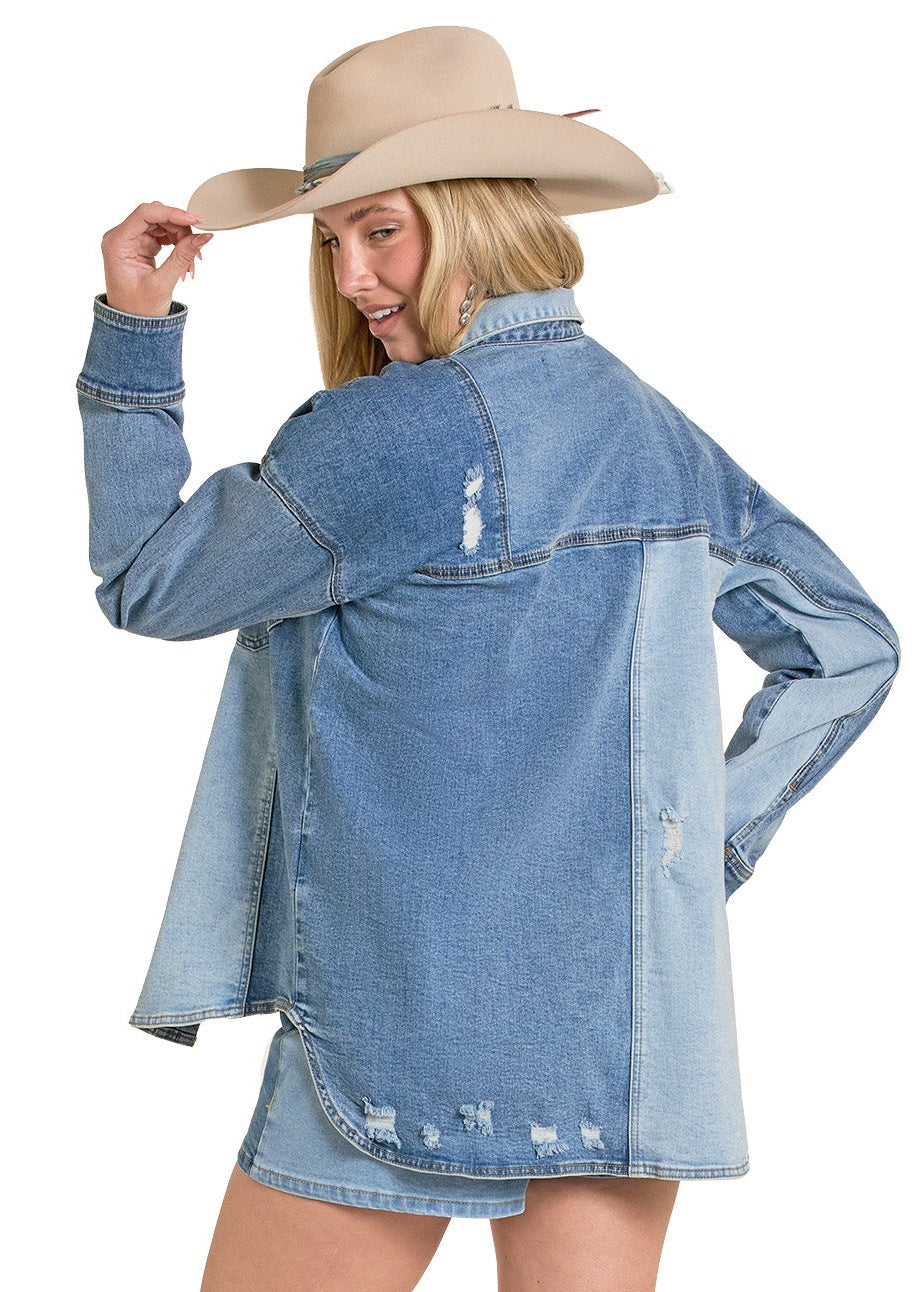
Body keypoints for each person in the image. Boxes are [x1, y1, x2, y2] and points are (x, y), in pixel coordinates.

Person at [76, 25, 900, 1292]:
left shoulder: (381, 440)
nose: (350, 274)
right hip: (624, 1030)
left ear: (469, 216)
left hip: (400, 1019)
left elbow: (149, 585)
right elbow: (849, 644)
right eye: (329, 236)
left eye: (382, 230)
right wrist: (686, 855)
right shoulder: (654, 431)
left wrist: (137, 332)